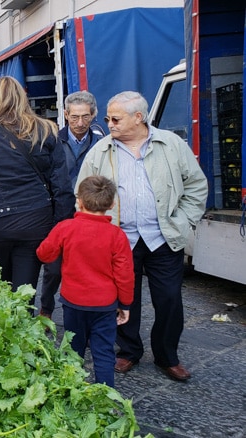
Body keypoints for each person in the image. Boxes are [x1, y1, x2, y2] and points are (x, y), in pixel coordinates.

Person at [76, 91, 208, 382]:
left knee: (169, 299)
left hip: (163, 237)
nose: (108, 123)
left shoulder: (171, 144)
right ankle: (128, 351)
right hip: (119, 239)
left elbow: (197, 185)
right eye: (108, 118)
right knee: (125, 298)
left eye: (115, 118)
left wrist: (183, 221)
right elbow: (82, 193)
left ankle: (167, 356)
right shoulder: (101, 150)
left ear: (139, 117)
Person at [0, 76, 74, 299]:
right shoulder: (46, 131)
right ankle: (25, 326)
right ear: (21, 98)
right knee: (25, 288)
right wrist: (61, 225)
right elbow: (62, 187)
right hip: (36, 220)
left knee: (2, 285)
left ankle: (6, 327)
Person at [36, 175, 134, 387]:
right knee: (104, 352)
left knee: (73, 348)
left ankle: (73, 391)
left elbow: (44, 254)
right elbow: (125, 275)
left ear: (78, 201)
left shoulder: (65, 228)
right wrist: (125, 304)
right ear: (112, 204)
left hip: (73, 302)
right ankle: (105, 398)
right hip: (105, 305)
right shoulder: (117, 236)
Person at [39, 90, 106, 320]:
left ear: (94, 115)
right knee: (54, 267)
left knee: (88, 265)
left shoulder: (102, 142)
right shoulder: (53, 139)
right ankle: (46, 308)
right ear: (66, 115)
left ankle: (84, 313)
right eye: (74, 117)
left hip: (92, 213)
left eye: (85, 117)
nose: (80, 123)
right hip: (61, 211)